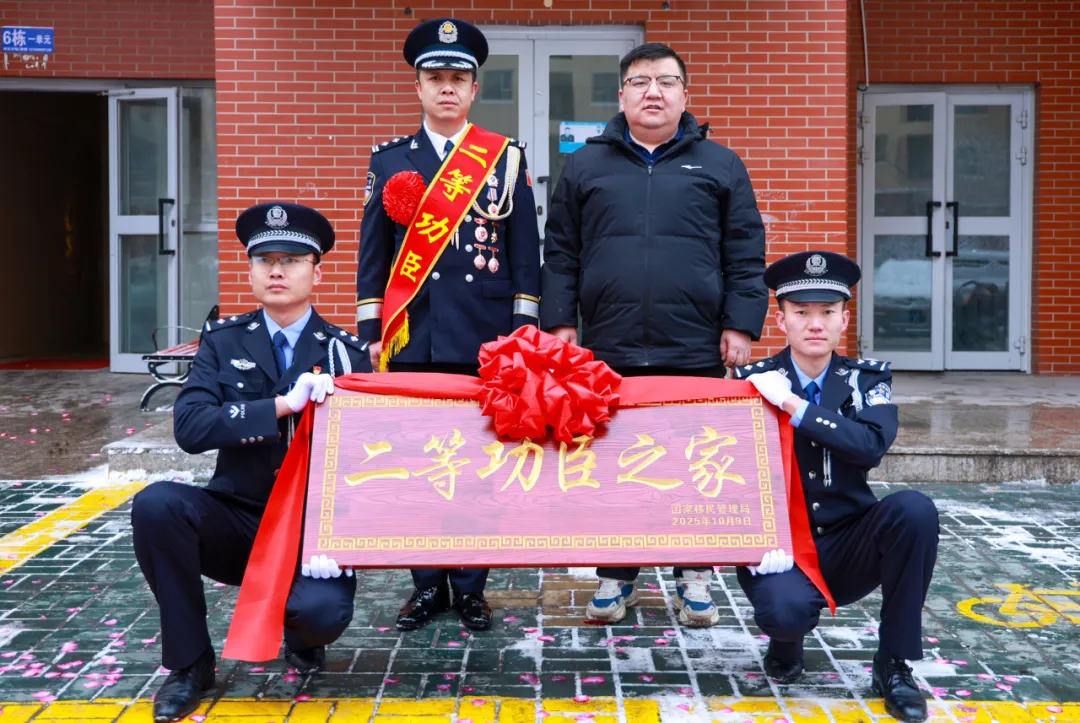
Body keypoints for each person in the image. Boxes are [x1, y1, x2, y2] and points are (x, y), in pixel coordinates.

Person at [538, 42, 768, 628]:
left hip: (693, 344)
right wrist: (561, 323)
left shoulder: (720, 164)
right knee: (616, 464)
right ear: (621, 95)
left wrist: (741, 323)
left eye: (666, 81)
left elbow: (745, 254)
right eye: (640, 82)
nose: (653, 92)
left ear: (685, 95)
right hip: (608, 344)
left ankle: (694, 576)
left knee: (695, 463)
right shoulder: (586, 166)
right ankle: (616, 576)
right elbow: (560, 251)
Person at [131, 202, 371, 722]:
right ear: (251, 271)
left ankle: (303, 635)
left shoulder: (346, 353)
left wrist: (344, 537)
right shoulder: (222, 341)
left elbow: (367, 455)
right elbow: (190, 428)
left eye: (291, 260)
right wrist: (280, 406)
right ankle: (190, 664)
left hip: (308, 530)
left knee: (320, 614)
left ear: (317, 272)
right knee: (156, 505)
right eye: (264, 260)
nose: (276, 271)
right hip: (238, 520)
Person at [355, 18, 542, 633]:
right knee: (419, 464)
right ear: (418, 86)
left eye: (458, 78)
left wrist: (521, 332)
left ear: (474, 88)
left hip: (482, 338)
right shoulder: (390, 160)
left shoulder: (504, 158)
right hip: (411, 338)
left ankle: (471, 586)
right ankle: (426, 585)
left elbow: (525, 253)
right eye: (435, 77)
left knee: (478, 468)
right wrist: (372, 331)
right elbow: (373, 257)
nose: (446, 88)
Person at [738, 251, 938, 723]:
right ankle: (786, 640)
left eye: (827, 311)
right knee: (785, 613)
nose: (815, 324)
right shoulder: (750, 382)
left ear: (844, 320)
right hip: (782, 547)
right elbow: (732, 470)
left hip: (851, 543)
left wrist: (794, 405)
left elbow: (869, 446)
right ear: (781, 320)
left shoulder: (867, 380)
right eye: (801, 312)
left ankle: (894, 662)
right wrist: (747, 541)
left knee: (915, 511)